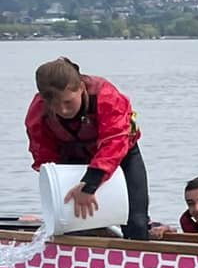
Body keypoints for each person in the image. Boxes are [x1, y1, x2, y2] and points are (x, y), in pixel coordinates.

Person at [23, 57, 150, 240]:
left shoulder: (106, 96)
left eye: (68, 102)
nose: (63, 110)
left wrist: (90, 184)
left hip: (122, 156)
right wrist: (54, 192)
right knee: (72, 223)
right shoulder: (38, 113)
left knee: (136, 222)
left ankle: (138, 258)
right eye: (54, 105)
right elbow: (43, 153)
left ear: (81, 88)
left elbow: (116, 141)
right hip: (71, 159)